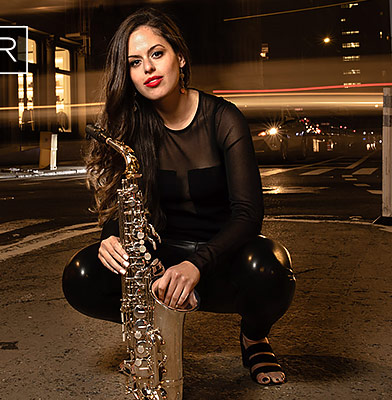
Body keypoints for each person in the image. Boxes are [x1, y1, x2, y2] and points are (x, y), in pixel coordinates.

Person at [61, 8, 296, 386]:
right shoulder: (132, 125)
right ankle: (156, 333)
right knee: (81, 274)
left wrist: (196, 266)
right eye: (135, 62)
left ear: (180, 56)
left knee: (271, 270)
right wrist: (110, 235)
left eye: (157, 54)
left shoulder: (223, 118)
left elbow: (248, 214)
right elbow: (131, 206)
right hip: (162, 258)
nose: (148, 69)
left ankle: (254, 336)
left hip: (222, 256)